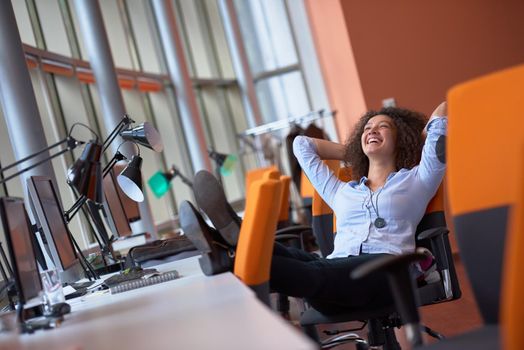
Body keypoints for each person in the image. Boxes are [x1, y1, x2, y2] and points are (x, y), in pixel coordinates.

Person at [184, 102, 447, 314]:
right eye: (367, 128)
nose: (372, 130)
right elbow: (302, 145)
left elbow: (443, 110)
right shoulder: (343, 192)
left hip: (385, 272)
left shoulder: (418, 179)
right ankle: (231, 241)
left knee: (313, 270)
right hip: (336, 277)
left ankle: (230, 255)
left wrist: (416, 144)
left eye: (383, 127)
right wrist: (355, 151)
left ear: (401, 139)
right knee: (289, 255)